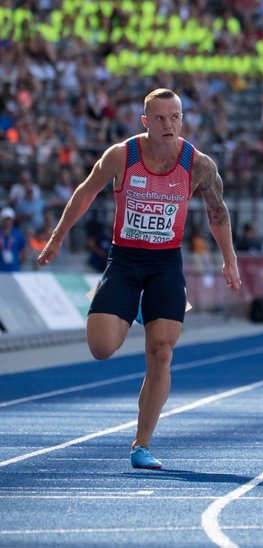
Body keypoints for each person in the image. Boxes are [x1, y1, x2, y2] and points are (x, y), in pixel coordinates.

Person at [37, 88, 241, 470]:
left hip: (166, 264)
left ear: (183, 119)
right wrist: (57, 237)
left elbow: (217, 211)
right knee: (101, 347)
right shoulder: (122, 156)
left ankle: (141, 444)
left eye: (175, 117)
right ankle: (119, 303)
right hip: (125, 260)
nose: (169, 125)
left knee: (161, 352)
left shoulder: (198, 164)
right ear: (145, 122)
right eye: (160, 118)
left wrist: (229, 259)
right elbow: (85, 193)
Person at [0, 207, 28, 272]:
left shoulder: (18, 234)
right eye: (5, 219)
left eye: (9, 219)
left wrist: (19, 264)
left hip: (14, 269)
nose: (7, 222)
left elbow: (24, 250)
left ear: (13, 220)